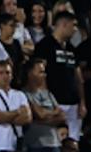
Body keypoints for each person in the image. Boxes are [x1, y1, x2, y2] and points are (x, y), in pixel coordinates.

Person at [34, 11, 85, 140]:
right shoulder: (44, 46)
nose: (75, 30)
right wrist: (47, 102)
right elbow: (40, 75)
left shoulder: (72, 49)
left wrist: (82, 101)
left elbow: (78, 77)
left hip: (73, 103)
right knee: (55, 139)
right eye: (73, 25)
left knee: (73, 141)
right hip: (55, 103)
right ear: (63, 24)